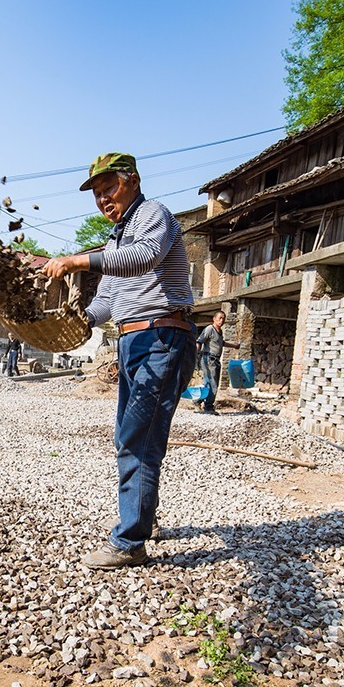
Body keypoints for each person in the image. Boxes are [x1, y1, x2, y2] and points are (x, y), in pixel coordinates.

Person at [42, 153, 195, 569]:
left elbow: (144, 257)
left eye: (109, 187)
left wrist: (77, 260)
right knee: (134, 436)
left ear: (133, 181)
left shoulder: (153, 215)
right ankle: (143, 520)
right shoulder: (116, 237)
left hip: (162, 337)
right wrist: (80, 322)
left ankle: (130, 542)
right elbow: (108, 300)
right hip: (132, 341)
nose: (102, 198)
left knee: (136, 438)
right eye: (96, 193)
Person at [194, 310, 238, 414]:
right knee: (213, 384)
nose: (221, 320)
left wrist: (234, 345)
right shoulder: (210, 329)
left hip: (215, 359)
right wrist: (195, 356)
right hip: (209, 358)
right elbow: (199, 341)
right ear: (214, 319)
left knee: (209, 383)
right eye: (220, 318)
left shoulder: (219, 331)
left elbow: (221, 343)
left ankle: (197, 400)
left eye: (223, 318)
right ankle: (208, 407)